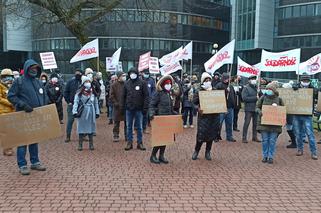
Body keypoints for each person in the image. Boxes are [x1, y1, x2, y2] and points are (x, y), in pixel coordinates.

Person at [8, 59, 48, 175]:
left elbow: (44, 95)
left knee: (34, 139)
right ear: (27, 69)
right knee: (23, 141)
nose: (34, 70)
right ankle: (22, 165)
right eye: (32, 68)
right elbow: (11, 96)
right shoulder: (19, 81)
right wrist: (23, 105)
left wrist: (44, 107)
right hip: (23, 115)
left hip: (36, 116)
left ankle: (35, 162)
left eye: (36, 68)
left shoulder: (38, 82)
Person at [192, 72, 220, 160]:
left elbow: (219, 101)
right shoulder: (199, 91)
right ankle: (196, 151)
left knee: (210, 136)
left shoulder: (214, 90)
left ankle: (208, 152)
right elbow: (194, 103)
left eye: (209, 80)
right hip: (203, 117)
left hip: (213, 117)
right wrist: (198, 108)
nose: (208, 82)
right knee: (201, 135)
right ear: (203, 81)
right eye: (206, 80)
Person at [256, 83, 285, 164]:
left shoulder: (279, 99)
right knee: (265, 140)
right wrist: (260, 111)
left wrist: (278, 110)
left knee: (272, 141)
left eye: (270, 89)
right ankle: (265, 155)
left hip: (275, 124)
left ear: (274, 90)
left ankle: (271, 156)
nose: (268, 91)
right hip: (263, 123)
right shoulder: (263, 98)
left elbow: (283, 110)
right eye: (267, 89)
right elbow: (257, 107)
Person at [149, 75, 176, 164]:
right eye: (167, 83)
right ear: (163, 84)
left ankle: (161, 155)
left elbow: (170, 108)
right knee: (159, 139)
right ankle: (153, 156)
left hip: (167, 119)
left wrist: (175, 114)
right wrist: (151, 113)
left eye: (170, 84)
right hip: (160, 119)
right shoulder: (158, 93)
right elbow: (152, 105)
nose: (169, 85)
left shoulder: (169, 94)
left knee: (166, 139)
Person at [123, 67, 149, 151]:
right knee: (129, 126)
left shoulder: (142, 83)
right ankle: (129, 143)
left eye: (133, 73)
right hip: (129, 108)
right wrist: (124, 106)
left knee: (139, 127)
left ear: (137, 74)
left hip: (139, 109)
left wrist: (145, 108)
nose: (132, 75)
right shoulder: (126, 83)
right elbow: (123, 96)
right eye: (130, 73)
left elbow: (146, 96)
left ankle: (140, 143)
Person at [292, 74, 318, 160]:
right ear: (301, 81)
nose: (306, 82)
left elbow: (317, 94)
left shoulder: (313, 89)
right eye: (304, 81)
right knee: (298, 133)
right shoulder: (296, 87)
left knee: (310, 134)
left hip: (307, 115)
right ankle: (300, 149)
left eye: (307, 81)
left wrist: (315, 91)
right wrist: (294, 87)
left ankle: (314, 152)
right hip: (297, 114)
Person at [72, 76, 99, 151]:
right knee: (81, 128)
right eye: (86, 82)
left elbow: (96, 102)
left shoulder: (93, 92)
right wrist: (74, 111)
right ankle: (80, 144)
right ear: (83, 83)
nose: (88, 83)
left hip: (91, 111)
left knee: (91, 128)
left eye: (89, 82)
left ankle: (91, 144)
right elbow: (76, 102)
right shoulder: (79, 92)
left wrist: (97, 112)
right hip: (82, 111)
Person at [215, 73, 236, 142]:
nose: (227, 79)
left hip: (230, 107)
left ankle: (229, 136)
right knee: (219, 123)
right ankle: (216, 136)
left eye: (228, 78)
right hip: (221, 107)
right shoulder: (219, 85)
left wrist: (234, 104)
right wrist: (225, 91)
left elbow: (233, 96)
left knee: (229, 122)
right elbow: (216, 95)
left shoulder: (231, 86)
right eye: (226, 78)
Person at [63, 68, 83, 143]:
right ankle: (68, 136)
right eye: (76, 73)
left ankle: (83, 135)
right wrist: (68, 101)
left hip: (81, 105)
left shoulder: (83, 82)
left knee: (81, 121)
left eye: (79, 73)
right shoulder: (70, 82)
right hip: (72, 104)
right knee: (70, 120)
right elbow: (65, 92)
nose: (77, 74)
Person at [0, 68, 16, 156]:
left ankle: (8, 148)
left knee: (10, 131)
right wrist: (10, 103)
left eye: (9, 76)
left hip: (11, 112)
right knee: (5, 132)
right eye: (5, 77)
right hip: (3, 112)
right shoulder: (0, 86)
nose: (8, 79)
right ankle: (7, 149)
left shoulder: (11, 86)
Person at [242, 75, 260, 143]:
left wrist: (260, 93)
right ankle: (244, 138)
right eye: (252, 79)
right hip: (249, 108)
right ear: (249, 80)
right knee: (247, 123)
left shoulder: (257, 87)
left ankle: (254, 137)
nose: (254, 80)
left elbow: (260, 97)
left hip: (256, 108)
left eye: (254, 79)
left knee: (255, 124)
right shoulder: (246, 88)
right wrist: (255, 98)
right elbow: (244, 98)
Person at [110, 71, 127, 142]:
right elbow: (111, 95)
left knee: (127, 122)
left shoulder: (126, 84)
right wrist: (115, 103)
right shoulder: (114, 85)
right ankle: (116, 135)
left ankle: (127, 135)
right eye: (123, 75)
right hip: (117, 107)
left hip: (126, 106)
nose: (124, 77)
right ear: (119, 76)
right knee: (116, 122)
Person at [142, 69, 156, 133]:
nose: (146, 74)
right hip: (141, 100)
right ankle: (136, 128)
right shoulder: (140, 80)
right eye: (145, 73)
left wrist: (152, 96)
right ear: (143, 73)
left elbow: (153, 89)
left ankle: (145, 127)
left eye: (147, 73)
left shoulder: (151, 80)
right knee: (139, 115)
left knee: (146, 114)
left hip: (149, 100)